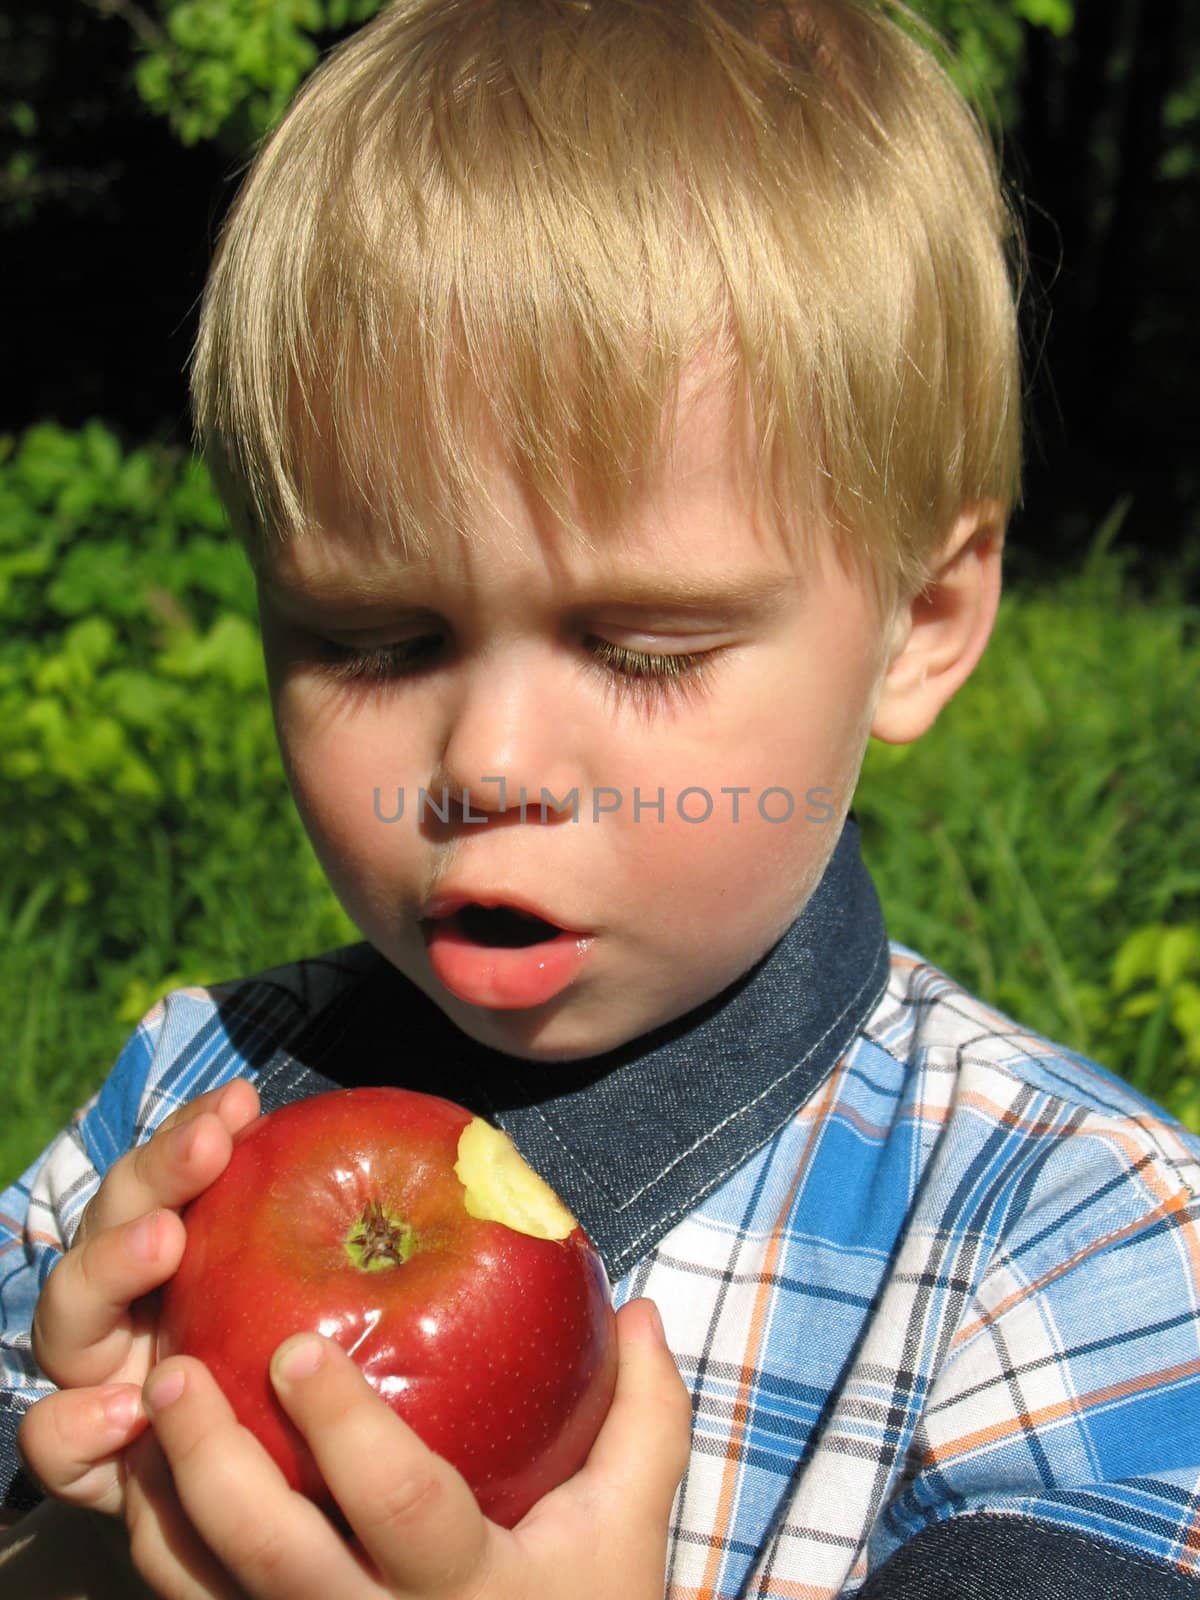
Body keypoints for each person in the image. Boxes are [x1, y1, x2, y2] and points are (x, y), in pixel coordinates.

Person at [3, 0, 1199, 1594]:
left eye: (637, 650)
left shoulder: (1074, 1245)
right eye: (374, 640)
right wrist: (68, 1535)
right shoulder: (186, 1121)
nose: (488, 763)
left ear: (920, 626)